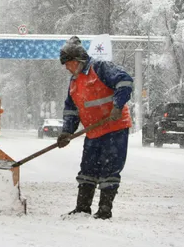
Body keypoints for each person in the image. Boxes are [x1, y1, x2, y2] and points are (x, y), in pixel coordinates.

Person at [57, 36, 133, 220]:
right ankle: (82, 208)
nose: (66, 68)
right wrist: (67, 131)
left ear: (77, 61)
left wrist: (117, 105)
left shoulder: (100, 68)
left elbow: (125, 81)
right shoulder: (74, 82)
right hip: (93, 131)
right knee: (87, 170)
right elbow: (72, 109)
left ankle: (105, 210)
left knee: (109, 170)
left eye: (68, 64)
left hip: (115, 127)